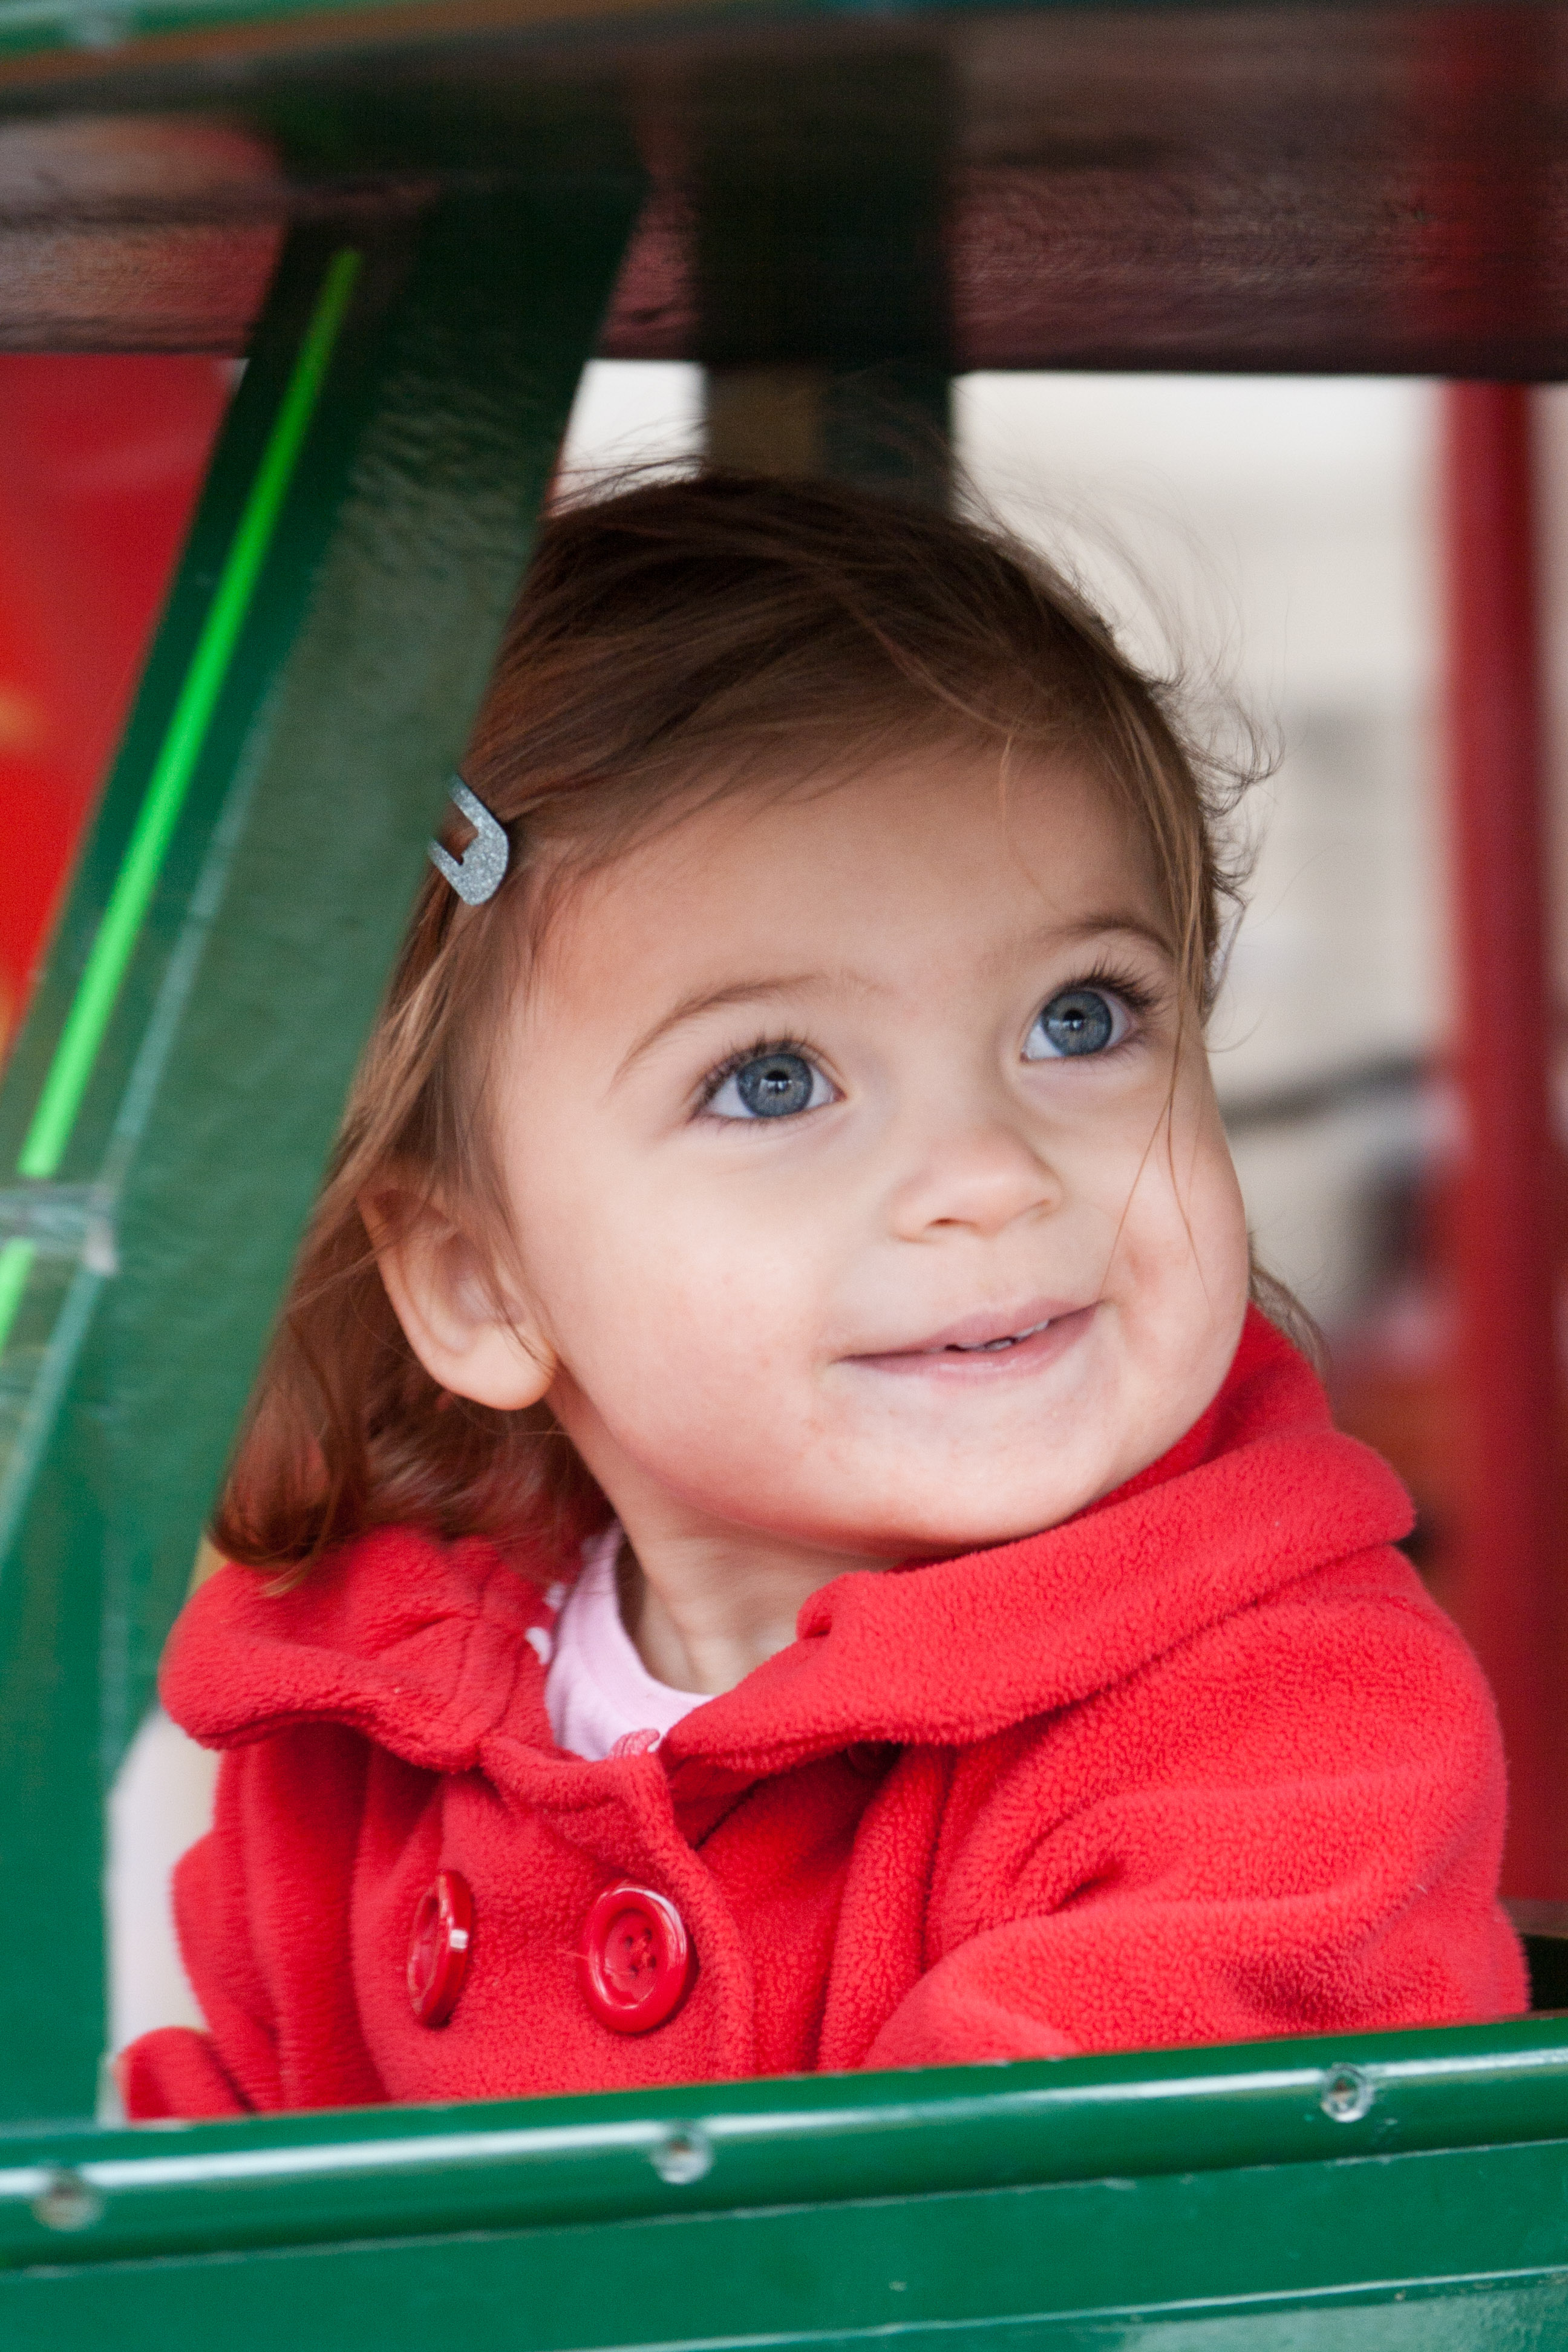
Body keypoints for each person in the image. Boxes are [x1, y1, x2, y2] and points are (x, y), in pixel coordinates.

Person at [120, 471, 1524, 2119]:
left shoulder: (1292, 1722)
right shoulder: (364, 1730)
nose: (988, 1174)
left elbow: (1038, 2237)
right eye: (773, 1079)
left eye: (1081, 1019)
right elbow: (211, 2200)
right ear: (478, 1281)